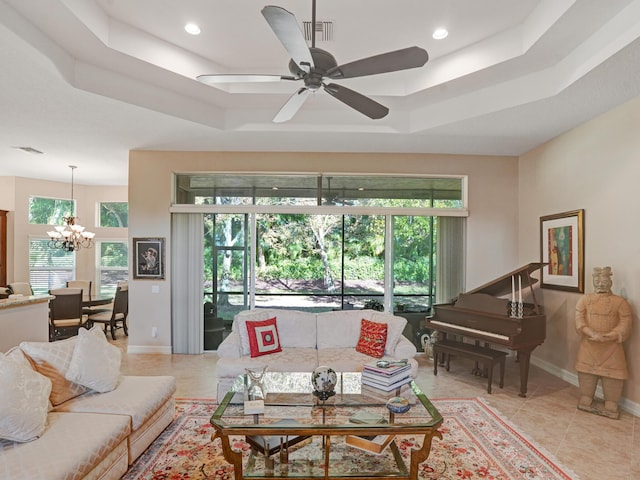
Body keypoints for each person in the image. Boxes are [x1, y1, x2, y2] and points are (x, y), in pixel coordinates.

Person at [575, 266, 632, 418]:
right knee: (587, 373)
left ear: (610, 281)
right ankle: (586, 396)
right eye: (597, 280)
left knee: (612, 375)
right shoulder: (584, 300)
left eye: (604, 280)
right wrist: (591, 333)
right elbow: (579, 321)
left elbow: (626, 322)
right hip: (589, 345)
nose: (601, 284)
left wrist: (612, 335)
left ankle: (611, 401)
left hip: (612, 347)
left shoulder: (620, 302)